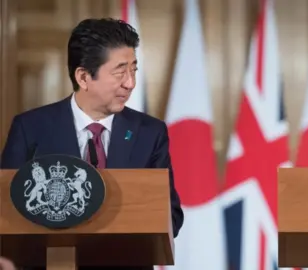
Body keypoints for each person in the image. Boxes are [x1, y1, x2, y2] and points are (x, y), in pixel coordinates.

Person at [0, 18, 183, 269]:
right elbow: (7, 213)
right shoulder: (30, 128)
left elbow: (171, 216)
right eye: (120, 72)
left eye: (133, 70)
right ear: (84, 77)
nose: (130, 83)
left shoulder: (149, 132)